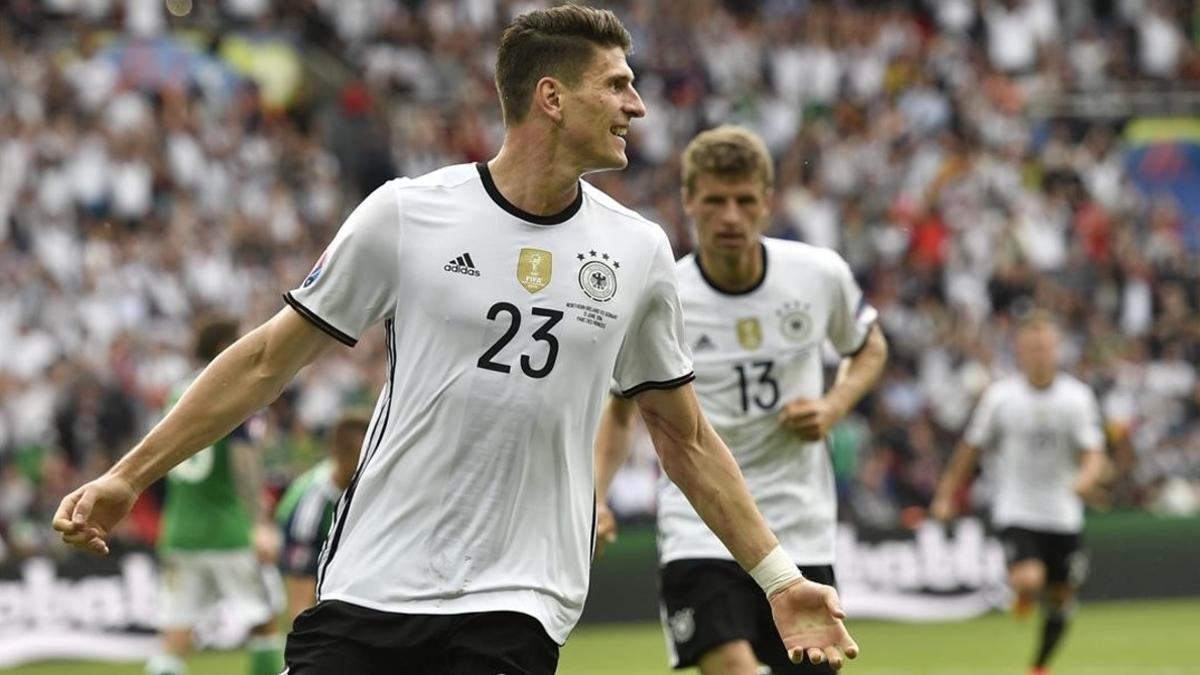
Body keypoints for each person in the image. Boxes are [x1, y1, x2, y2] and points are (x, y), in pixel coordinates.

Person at [53, 6, 858, 674]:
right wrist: (129, 476)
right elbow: (267, 359)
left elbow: (684, 437)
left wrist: (779, 576)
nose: (636, 105)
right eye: (617, 84)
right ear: (551, 96)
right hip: (373, 579)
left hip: (518, 596)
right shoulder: (406, 214)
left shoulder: (639, 251)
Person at [593, 125, 887, 675]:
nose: (730, 216)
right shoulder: (664, 294)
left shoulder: (818, 275)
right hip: (699, 523)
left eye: (744, 201)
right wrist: (597, 497)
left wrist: (833, 407)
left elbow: (869, 346)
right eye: (714, 200)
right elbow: (620, 407)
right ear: (688, 202)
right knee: (727, 665)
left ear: (767, 203)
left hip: (800, 522)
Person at [931, 311, 1108, 675]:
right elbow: (970, 450)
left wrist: (1085, 481)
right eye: (1031, 348)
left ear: (1058, 350)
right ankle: (1024, 594)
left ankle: (1039, 666)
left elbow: (1093, 454)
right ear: (1020, 352)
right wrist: (947, 494)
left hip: (1063, 513)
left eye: (1045, 347)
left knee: (1061, 599)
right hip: (1017, 508)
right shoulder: (1001, 397)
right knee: (1029, 578)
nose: (1039, 354)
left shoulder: (1077, 398)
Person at [145, 316, 283, 675]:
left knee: (175, 636)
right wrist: (259, 523)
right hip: (228, 529)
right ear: (224, 348)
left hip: (180, 530)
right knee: (263, 622)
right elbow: (243, 461)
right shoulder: (235, 388)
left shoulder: (176, 393)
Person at [274, 408, 369, 622]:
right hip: (311, 547)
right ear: (337, 453)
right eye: (356, 458)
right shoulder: (311, 504)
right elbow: (301, 600)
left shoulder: (376, 486)